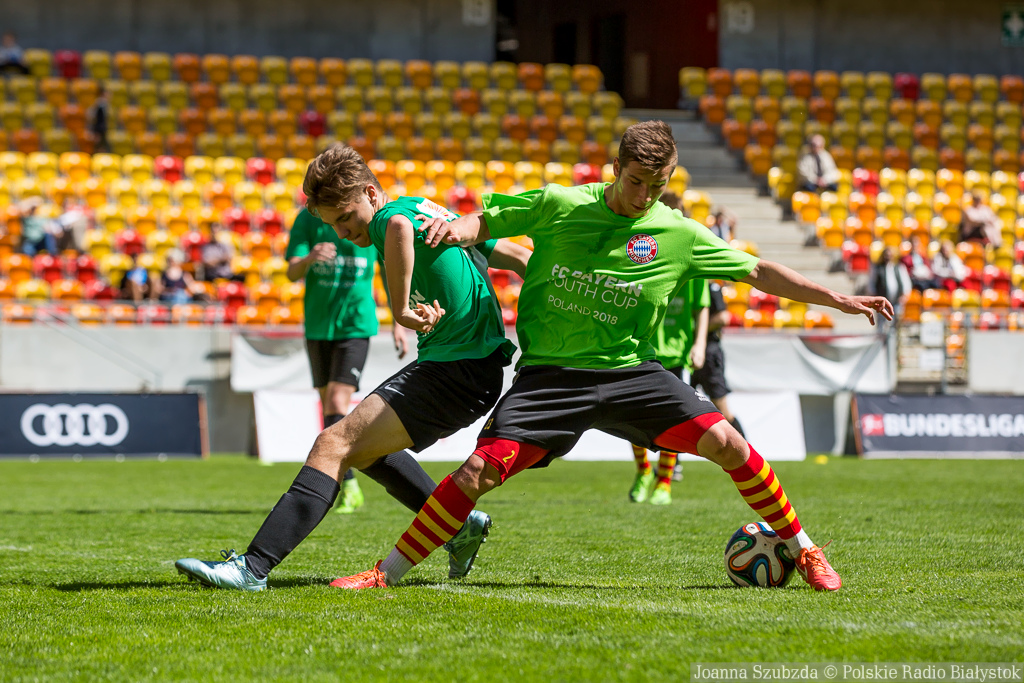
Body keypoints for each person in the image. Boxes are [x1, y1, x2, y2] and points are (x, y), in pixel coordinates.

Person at [332, 120, 893, 593]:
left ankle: (806, 549)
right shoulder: (560, 202)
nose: (643, 196)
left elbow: (757, 270)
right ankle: (385, 574)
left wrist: (836, 298)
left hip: (629, 374)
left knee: (730, 444)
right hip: (550, 377)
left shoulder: (677, 231)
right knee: (478, 470)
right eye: (635, 182)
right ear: (615, 168)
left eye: (656, 185)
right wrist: (454, 231)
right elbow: (489, 221)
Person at [174, 143, 532, 591]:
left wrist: (400, 310)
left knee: (333, 443)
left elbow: (396, 227)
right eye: (332, 225)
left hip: (456, 368)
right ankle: (457, 527)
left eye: (345, 218)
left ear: (370, 193)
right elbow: (520, 259)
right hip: (467, 369)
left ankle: (251, 568)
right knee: (361, 447)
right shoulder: (430, 209)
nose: (343, 232)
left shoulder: (394, 216)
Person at [285, 206, 408, 514]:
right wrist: (309, 258)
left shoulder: (368, 221)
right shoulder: (307, 219)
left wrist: (398, 322)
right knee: (327, 402)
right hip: (318, 325)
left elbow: (391, 270)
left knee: (337, 403)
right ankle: (346, 480)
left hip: (356, 324)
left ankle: (346, 483)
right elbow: (291, 272)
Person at [629, 276, 708, 506]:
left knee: (672, 420)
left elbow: (701, 304)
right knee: (633, 416)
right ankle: (644, 471)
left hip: (675, 353)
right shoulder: (644, 249)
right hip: (641, 348)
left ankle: (664, 481)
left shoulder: (692, 251)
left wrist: (700, 342)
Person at [688, 279, 745, 480]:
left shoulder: (710, 287)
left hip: (709, 353)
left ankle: (746, 453)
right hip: (687, 351)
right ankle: (673, 466)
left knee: (722, 409)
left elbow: (723, 317)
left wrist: (695, 331)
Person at [870, 246, 911, 316]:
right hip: (882, 302)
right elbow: (871, 283)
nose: (887, 258)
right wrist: (874, 296)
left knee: (895, 321)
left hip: (897, 301)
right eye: (886, 255)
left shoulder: (899, 267)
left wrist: (904, 295)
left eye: (889, 255)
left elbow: (906, 283)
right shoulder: (877, 268)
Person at [88, 85, 110, 154]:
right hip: (99, 129)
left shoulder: (101, 104)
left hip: (101, 129)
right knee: (99, 147)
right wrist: (96, 131)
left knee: (101, 147)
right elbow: (96, 119)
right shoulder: (100, 104)